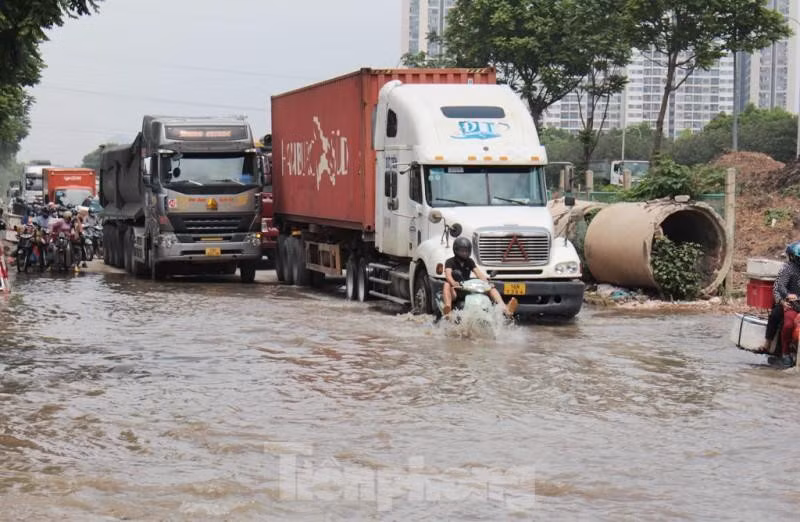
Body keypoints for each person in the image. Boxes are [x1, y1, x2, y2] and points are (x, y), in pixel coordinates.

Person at [442, 236, 518, 318]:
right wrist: (453, 283)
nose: (464, 253)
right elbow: (448, 275)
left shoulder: (469, 261)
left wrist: (487, 283)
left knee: (491, 288)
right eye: (462, 251)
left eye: (466, 251)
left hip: (467, 288)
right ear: (456, 250)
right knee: (446, 284)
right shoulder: (450, 261)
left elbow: (479, 274)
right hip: (456, 290)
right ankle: (448, 310)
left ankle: (505, 309)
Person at [760, 241, 800, 364]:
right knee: (783, 321)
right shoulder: (787, 268)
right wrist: (785, 298)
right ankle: (781, 350)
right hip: (789, 303)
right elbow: (779, 287)